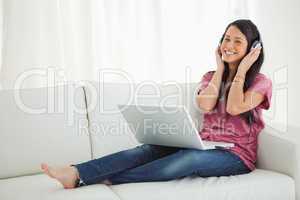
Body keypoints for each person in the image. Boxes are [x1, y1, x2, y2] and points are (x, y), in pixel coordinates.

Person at [41, 19, 272, 189]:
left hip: (236, 156)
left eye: (238, 41)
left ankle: (104, 179)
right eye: (226, 39)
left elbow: (233, 107)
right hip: (205, 144)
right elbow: (205, 105)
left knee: (188, 160)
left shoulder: (261, 83)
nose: (228, 45)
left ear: (253, 48)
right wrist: (221, 70)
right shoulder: (210, 76)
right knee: (148, 149)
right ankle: (76, 172)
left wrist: (242, 69)